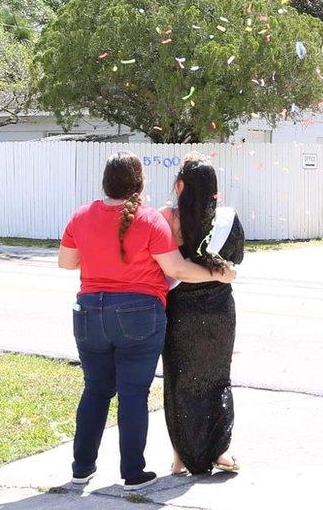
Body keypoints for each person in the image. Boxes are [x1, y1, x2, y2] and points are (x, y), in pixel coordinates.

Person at [58, 153, 235, 489]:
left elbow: (67, 263)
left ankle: (82, 468)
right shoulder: (150, 220)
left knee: (95, 390)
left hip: (88, 313)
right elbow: (178, 270)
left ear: (104, 182)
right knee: (133, 394)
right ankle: (133, 473)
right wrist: (220, 274)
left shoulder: (80, 215)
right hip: (138, 313)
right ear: (140, 183)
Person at [160, 157, 248, 477]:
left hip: (179, 311)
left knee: (179, 383)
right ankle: (220, 449)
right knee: (216, 379)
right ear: (214, 191)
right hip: (219, 312)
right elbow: (235, 260)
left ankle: (180, 457)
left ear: (180, 186)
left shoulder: (165, 219)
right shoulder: (228, 220)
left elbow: (161, 265)